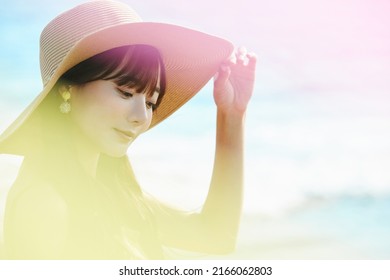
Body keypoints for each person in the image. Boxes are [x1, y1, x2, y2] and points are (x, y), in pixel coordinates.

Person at [0, 0, 256, 259]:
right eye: (125, 92)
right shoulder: (44, 203)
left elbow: (214, 235)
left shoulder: (108, 187)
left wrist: (232, 114)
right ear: (67, 88)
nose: (141, 117)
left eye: (150, 102)